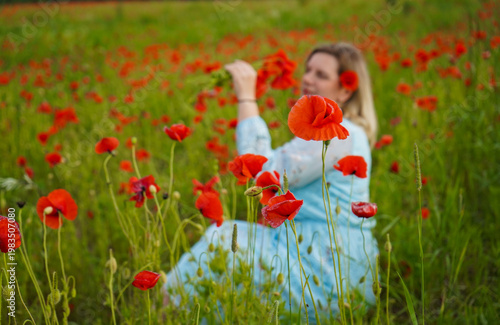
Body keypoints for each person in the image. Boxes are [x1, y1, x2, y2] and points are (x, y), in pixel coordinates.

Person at [164, 42, 379, 320]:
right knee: (229, 240)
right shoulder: (348, 133)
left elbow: (266, 175)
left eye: (321, 75)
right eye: (308, 70)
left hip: (324, 274)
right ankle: (171, 305)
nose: (308, 78)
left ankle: (161, 309)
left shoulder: (337, 133)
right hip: (336, 265)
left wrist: (246, 98)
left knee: (220, 243)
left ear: (346, 89)